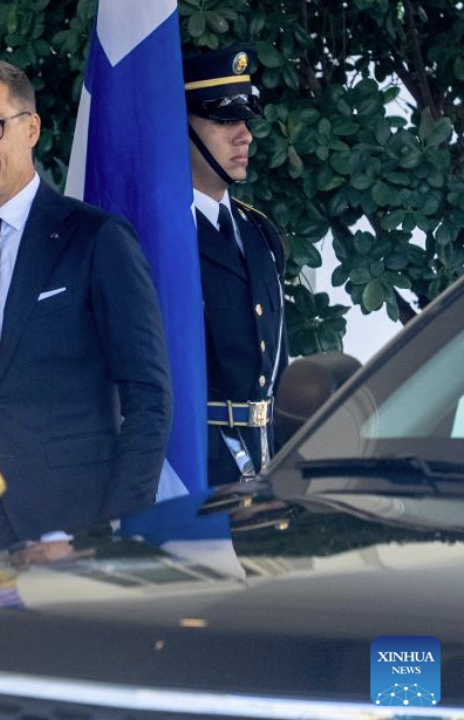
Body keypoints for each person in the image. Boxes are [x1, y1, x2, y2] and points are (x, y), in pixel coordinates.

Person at [0, 58, 172, 564]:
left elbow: (149, 397)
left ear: (31, 129)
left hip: (72, 533)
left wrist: (105, 530)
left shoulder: (96, 239)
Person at [184, 47, 288, 486]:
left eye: (245, 121)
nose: (244, 135)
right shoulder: (157, 240)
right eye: (225, 121)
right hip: (194, 468)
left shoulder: (260, 232)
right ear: (180, 128)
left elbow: (276, 365)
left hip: (268, 465)